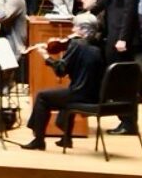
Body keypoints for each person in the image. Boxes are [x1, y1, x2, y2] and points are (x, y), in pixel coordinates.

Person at [20, 13, 105, 151]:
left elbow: (61, 70)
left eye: (75, 27)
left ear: (83, 29)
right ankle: (66, 139)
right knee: (65, 94)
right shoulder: (99, 44)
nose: (72, 30)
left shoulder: (77, 44)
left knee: (42, 97)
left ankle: (38, 140)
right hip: (96, 95)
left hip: (80, 95)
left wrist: (46, 57)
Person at [90, 0, 141, 135]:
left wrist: (123, 39)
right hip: (113, 35)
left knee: (123, 82)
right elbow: (105, 1)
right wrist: (87, 14)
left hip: (121, 39)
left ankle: (129, 123)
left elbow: (129, 13)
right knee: (116, 81)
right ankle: (124, 120)